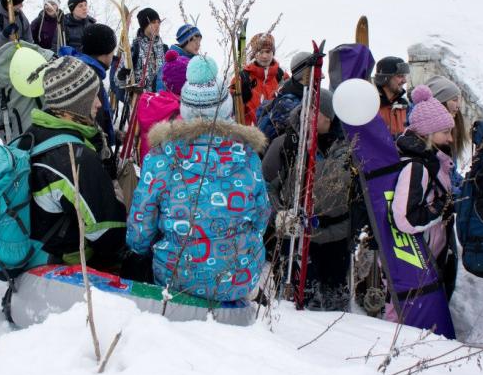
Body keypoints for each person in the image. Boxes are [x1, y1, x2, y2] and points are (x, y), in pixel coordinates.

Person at [126, 55, 271, 301]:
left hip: (175, 277)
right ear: (225, 107)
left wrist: (138, 252)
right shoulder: (247, 157)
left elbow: (140, 227)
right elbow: (261, 216)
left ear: (186, 108)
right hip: (237, 278)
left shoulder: (162, 156)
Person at [20, 57, 127, 267]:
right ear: (71, 106)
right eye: (92, 97)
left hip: (37, 249)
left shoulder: (35, 133)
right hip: (67, 266)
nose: (99, 103)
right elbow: (109, 236)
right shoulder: (74, 158)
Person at [263, 89, 349, 310]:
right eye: (308, 109)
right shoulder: (286, 144)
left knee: (336, 308)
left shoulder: (346, 147)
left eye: (316, 110)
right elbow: (265, 187)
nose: (308, 114)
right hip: (296, 237)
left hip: (337, 239)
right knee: (295, 309)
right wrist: (279, 214)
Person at [387, 85, 457, 323]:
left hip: (425, 256)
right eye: (445, 132)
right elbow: (406, 218)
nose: (450, 138)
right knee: (404, 318)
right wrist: (442, 207)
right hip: (414, 258)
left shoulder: (432, 160)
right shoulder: (416, 166)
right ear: (428, 133)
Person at [59, 24, 119, 160]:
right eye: (112, 51)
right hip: (89, 155)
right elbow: (94, 124)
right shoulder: (90, 79)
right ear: (106, 52)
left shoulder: (79, 69)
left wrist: (114, 135)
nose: (112, 56)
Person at [424, 75, 467, 194]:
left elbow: (450, 172)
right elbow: (437, 178)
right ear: (440, 102)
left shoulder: (454, 125)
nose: (458, 105)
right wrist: (460, 193)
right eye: (454, 100)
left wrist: (466, 183)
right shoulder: (427, 134)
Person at [239, 33, 288, 126]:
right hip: (251, 135)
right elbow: (230, 108)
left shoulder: (281, 76)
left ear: (273, 53)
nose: (265, 56)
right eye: (261, 52)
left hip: (275, 132)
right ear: (254, 55)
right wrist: (240, 98)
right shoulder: (244, 77)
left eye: (268, 51)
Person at [125, 8, 166, 93]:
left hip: (161, 101)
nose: (157, 25)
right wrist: (132, 91)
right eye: (153, 22)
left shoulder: (164, 48)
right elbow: (119, 79)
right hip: (141, 102)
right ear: (145, 25)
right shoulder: (135, 47)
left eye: (159, 22)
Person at [373, 56, 409, 136]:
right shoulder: (371, 106)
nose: (404, 81)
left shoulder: (404, 105)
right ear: (385, 78)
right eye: (400, 76)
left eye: (405, 76)